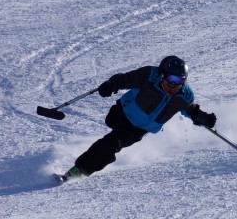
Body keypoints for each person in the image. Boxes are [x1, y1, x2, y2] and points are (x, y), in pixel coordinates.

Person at [58, 56, 217, 182]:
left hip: (137, 130)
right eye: (171, 79)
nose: (174, 85)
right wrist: (111, 85)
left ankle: (79, 170)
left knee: (111, 144)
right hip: (121, 113)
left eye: (180, 81)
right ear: (163, 75)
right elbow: (125, 79)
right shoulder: (150, 76)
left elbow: (190, 110)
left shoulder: (184, 95)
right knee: (112, 127)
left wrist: (201, 117)